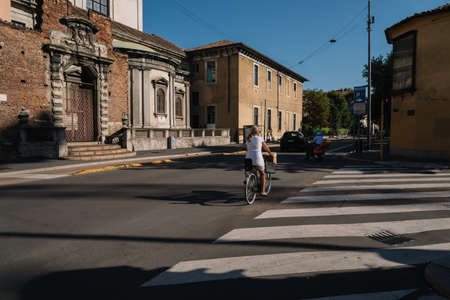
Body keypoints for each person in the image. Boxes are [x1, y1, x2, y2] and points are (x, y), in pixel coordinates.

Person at [245, 126, 273, 196]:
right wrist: (270, 153)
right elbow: (266, 148)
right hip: (257, 159)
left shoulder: (248, 139)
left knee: (249, 170)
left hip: (248, 159)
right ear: (257, 132)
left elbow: (248, 149)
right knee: (262, 173)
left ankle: (247, 179)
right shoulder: (260, 138)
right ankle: (263, 191)